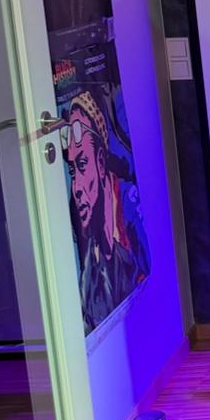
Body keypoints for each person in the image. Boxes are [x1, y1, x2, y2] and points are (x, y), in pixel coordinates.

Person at [64, 90, 143, 331]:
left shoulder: (128, 209)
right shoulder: (87, 260)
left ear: (101, 162)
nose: (77, 188)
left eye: (82, 164)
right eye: (72, 171)